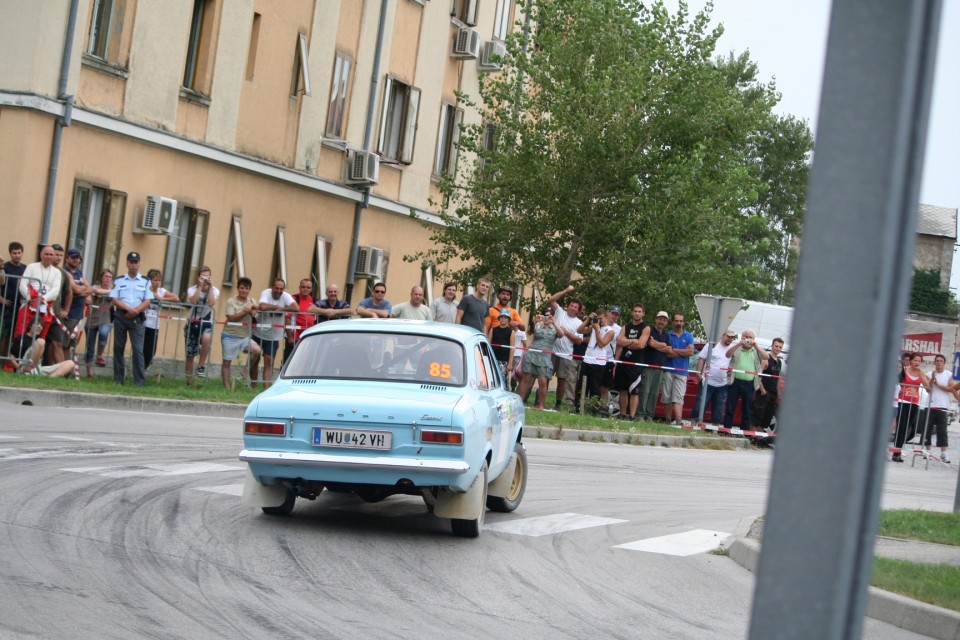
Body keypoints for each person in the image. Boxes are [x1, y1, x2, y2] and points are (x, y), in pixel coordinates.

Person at [110, 251, 153, 386]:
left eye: (136, 262)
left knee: (137, 349)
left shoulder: (146, 281)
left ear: (139, 264)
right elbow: (114, 299)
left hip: (137, 318)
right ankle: (118, 380)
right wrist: (128, 309)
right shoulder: (119, 280)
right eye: (131, 262)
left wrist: (135, 311)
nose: (134, 265)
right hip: (121, 316)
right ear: (127, 263)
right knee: (118, 348)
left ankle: (139, 382)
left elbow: (148, 300)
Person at [546, 285, 586, 412]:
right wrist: (566, 290)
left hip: (566, 355)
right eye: (571, 305)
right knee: (545, 376)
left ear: (578, 310)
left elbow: (579, 340)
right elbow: (551, 300)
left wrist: (567, 333)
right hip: (551, 350)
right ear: (568, 306)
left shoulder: (579, 323)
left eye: (576, 307)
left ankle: (558, 403)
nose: (573, 308)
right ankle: (540, 399)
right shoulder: (559, 312)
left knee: (562, 380)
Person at [251, 277, 297, 388]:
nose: (279, 291)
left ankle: (266, 388)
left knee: (269, 362)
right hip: (258, 333)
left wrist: (281, 310)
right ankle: (253, 385)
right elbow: (262, 306)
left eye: (281, 289)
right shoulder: (266, 293)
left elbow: (296, 307)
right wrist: (276, 307)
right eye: (277, 288)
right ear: (272, 287)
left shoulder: (286, 296)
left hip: (274, 336)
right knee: (255, 361)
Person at [724, 329, 769, 431]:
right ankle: (726, 431)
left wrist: (756, 345)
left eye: (750, 338)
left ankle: (744, 432)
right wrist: (738, 344)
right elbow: (727, 355)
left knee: (747, 409)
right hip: (735, 382)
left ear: (753, 339)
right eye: (746, 337)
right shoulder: (737, 348)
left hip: (749, 384)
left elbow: (766, 357)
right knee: (730, 408)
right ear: (742, 338)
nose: (748, 340)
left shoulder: (756, 350)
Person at [222, 276, 262, 388]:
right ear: (238, 288)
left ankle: (245, 370)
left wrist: (254, 309)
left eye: (246, 288)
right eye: (242, 288)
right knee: (227, 362)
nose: (244, 290)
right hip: (230, 335)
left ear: (249, 290)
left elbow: (257, 311)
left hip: (245, 336)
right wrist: (245, 312)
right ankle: (226, 388)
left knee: (257, 350)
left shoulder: (252, 301)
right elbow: (231, 318)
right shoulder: (231, 301)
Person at [516, 309, 557, 411]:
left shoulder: (555, 328)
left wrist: (554, 322)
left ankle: (541, 406)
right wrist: (534, 321)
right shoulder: (538, 326)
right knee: (526, 379)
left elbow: (561, 334)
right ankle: (519, 402)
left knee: (543, 381)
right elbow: (529, 331)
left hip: (544, 357)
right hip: (531, 354)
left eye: (549, 316)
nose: (546, 318)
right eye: (545, 315)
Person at [615, 304, 650, 420]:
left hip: (636, 364)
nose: (637, 313)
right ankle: (622, 414)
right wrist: (632, 341)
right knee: (623, 390)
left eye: (639, 311)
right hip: (623, 362)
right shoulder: (626, 326)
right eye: (635, 311)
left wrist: (627, 342)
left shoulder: (645, 327)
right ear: (632, 312)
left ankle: (632, 416)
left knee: (634, 391)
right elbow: (619, 341)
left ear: (643, 313)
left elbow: (641, 344)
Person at [184, 266, 219, 382]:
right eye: (203, 276)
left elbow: (212, 303)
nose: (205, 279)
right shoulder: (192, 289)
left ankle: (201, 366)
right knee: (190, 354)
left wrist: (209, 288)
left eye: (207, 276)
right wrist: (200, 286)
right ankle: (189, 381)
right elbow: (193, 301)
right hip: (192, 321)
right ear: (198, 277)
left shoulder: (215, 290)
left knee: (207, 338)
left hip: (206, 321)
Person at [892, 352, 929, 462]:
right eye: (915, 360)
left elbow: (927, 388)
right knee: (901, 427)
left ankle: (898, 448)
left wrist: (927, 379)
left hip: (914, 403)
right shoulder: (904, 370)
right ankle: (896, 452)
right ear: (911, 361)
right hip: (902, 401)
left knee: (909, 428)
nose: (917, 362)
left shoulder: (921, 373)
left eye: (919, 361)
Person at [578, 308, 616, 410]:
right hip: (587, 359)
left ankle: (593, 407)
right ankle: (579, 406)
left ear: (606, 317)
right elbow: (579, 330)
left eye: (601, 318)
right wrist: (587, 320)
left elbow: (601, 344)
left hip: (598, 362)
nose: (600, 320)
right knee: (582, 385)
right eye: (597, 318)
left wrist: (597, 329)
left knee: (595, 387)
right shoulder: (593, 326)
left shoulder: (610, 331)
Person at [661, 313, 695, 425]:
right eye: (676, 321)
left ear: (683, 322)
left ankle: (678, 421)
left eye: (681, 321)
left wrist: (674, 350)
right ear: (672, 322)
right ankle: (667, 420)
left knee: (678, 397)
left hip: (682, 371)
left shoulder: (688, 336)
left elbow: (690, 352)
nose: (678, 323)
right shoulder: (667, 335)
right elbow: (666, 354)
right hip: (668, 369)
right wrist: (683, 352)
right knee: (667, 396)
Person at [695, 329, 736, 424]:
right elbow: (701, 358)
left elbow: (733, 362)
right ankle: (694, 425)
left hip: (722, 384)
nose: (730, 339)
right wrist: (698, 374)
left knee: (719, 410)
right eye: (728, 336)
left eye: (732, 337)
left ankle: (715, 431)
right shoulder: (712, 345)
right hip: (707, 382)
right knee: (699, 405)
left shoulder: (732, 349)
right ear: (722, 335)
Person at [638, 311, 670, 421]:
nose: (661, 321)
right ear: (656, 319)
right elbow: (650, 343)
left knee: (654, 393)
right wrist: (662, 345)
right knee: (644, 391)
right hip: (647, 365)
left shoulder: (666, 335)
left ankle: (649, 415)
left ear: (666, 322)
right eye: (660, 319)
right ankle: (641, 414)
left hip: (659, 367)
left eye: (664, 320)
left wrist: (656, 345)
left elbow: (669, 349)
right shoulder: (649, 330)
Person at [144, 269, 178, 370]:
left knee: (151, 352)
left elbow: (176, 298)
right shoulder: (145, 289)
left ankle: (143, 369)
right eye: (155, 280)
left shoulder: (161, 291)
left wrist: (162, 298)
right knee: (141, 349)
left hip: (154, 325)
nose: (157, 283)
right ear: (150, 281)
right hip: (143, 323)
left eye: (159, 280)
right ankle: (138, 372)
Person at [83, 269, 114, 377]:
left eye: (110, 277)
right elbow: (94, 291)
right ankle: (89, 370)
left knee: (104, 333)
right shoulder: (95, 287)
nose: (108, 279)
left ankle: (100, 355)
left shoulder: (113, 290)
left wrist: (110, 292)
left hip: (105, 319)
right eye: (106, 276)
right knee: (90, 347)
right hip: (92, 320)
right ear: (101, 277)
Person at [752, 337, 785, 431]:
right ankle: (751, 437)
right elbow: (759, 375)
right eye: (776, 346)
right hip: (764, 392)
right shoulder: (766, 359)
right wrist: (762, 390)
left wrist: (778, 393)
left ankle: (758, 440)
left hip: (773, 393)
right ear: (772, 346)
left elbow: (777, 378)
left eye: (780, 347)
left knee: (766, 418)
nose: (778, 349)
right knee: (757, 416)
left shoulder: (779, 361)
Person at [0, 241, 26, 361]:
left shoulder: (25, 269)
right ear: (10, 254)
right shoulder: (4, 267)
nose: (17, 255)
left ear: (22, 253)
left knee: (13, 335)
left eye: (19, 253)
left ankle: (7, 362)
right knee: (3, 335)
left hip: (19, 306)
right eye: (14, 253)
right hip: (5, 307)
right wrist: (1, 299)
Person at [925, 354, 952, 463]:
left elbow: (951, 388)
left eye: (941, 361)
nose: (939, 363)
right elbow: (928, 389)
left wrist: (938, 384)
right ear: (934, 362)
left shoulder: (949, 374)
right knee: (927, 429)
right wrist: (932, 379)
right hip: (930, 405)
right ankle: (927, 452)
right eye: (937, 361)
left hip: (942, 406)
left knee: (942, 431)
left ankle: (943, 453)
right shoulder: (928, 374)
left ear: (944, 363)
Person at [284, 279, 317, 364]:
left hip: (308, 337)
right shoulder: (294, 299)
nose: (305, 289)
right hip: (294, 337)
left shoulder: (314, 300)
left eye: (308, 287)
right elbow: (287, 318)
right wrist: (290, 337)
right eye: (303, 287)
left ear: (311, 289)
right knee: (289, 362)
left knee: (304, 362)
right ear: (299, 288)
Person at [487, 308, 515, 380]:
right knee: (491, 378)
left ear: (508, 319)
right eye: (502, 317)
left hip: (504, 360)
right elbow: (488, 345)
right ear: (499, 318)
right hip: (493, 358)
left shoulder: (511, 332)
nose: (503, 319)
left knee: (501, 379)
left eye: (505, 317)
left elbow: (512, 348)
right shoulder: (493, 329)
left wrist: (510, 363)